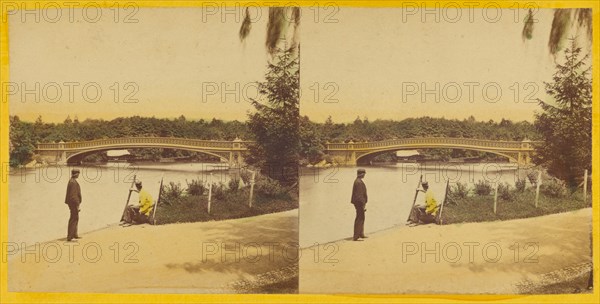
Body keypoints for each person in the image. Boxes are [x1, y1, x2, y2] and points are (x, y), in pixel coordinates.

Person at [351, 168, 368, 241]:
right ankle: (356, 236)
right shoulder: (358, 182)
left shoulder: (358, 181)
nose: (364, 175)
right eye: (364, 173)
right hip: (359, 203)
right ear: (361, 174)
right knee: (360, 218)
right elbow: (359, 195)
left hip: (359, 202)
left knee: (361, 217)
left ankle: (361, 233)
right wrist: (363, 204)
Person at [65, 168, 82, 242]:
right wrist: (77, 205)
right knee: (74, 219)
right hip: (74, 203)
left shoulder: (71, 181)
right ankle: (70, 237)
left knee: (75, 218)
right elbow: (73, 196)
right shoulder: (73, 182)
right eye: (78, 173)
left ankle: (74, 234)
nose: (79, 175)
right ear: (76, 173)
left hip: (72, 203)